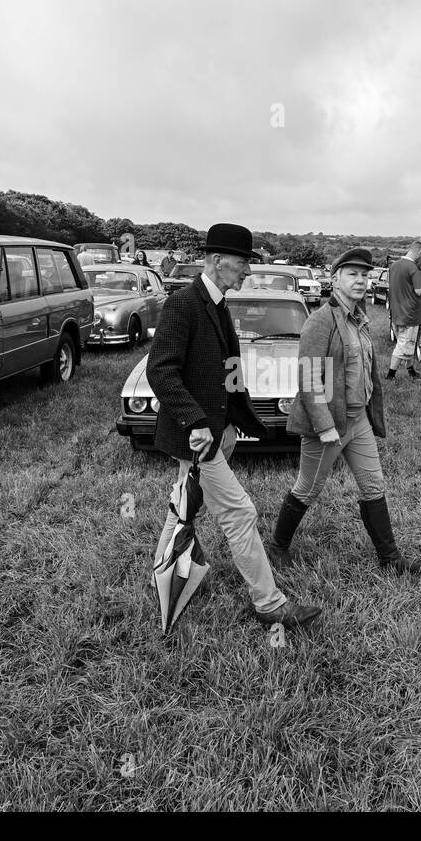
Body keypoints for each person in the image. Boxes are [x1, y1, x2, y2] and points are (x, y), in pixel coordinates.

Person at [147, 222, 321, 631]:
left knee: (183, 504)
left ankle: (163, 571)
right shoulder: (183, 305)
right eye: (243, 262)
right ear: (216, 260)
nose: (247, 270)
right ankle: (269, 604)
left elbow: (228, 371)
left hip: (214, 432)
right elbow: (161, 371)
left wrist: (232, 423)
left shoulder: (220, 304)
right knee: (241, 512)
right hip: (196, 437)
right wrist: (198, 422)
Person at [271, 248, 421, 575]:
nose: (360, 280)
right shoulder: (321, 321)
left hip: (358, 421)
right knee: (308, 488)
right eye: (352, 274)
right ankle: (277, 546)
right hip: (328, 426)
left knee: (374, 485)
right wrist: (325, 426)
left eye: (365, 274)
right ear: (335, 279)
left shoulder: (359, 317)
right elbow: (309, 377)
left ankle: (390, 559)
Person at [386, 238, 421, 379]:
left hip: (396, 311)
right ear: (417, 251)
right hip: (410, 313)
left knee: (408, 344)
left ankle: (411, 372)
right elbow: (419, 291)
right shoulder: (413, 267)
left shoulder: (394, 266)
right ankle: (390, 376)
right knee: (404, 346)